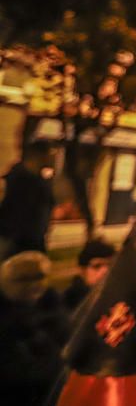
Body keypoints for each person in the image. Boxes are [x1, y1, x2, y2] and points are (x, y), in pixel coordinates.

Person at [0, 251, 70, 404]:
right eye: (23, 279)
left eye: (39, 277)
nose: (34, 285)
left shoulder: (53, 309)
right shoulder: (7, 323)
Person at [0, 142, 54, 258]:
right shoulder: (18, 179)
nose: (51, 158)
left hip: (33, 242)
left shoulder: (39, 181)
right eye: (49, 154)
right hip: (16, 242)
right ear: (38, 155)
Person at [62, 238, 115, 310]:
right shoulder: (67, 303)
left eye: (110, 265)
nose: (105, 271)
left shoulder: (117, 298)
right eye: (97, 266)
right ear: (82, 270)